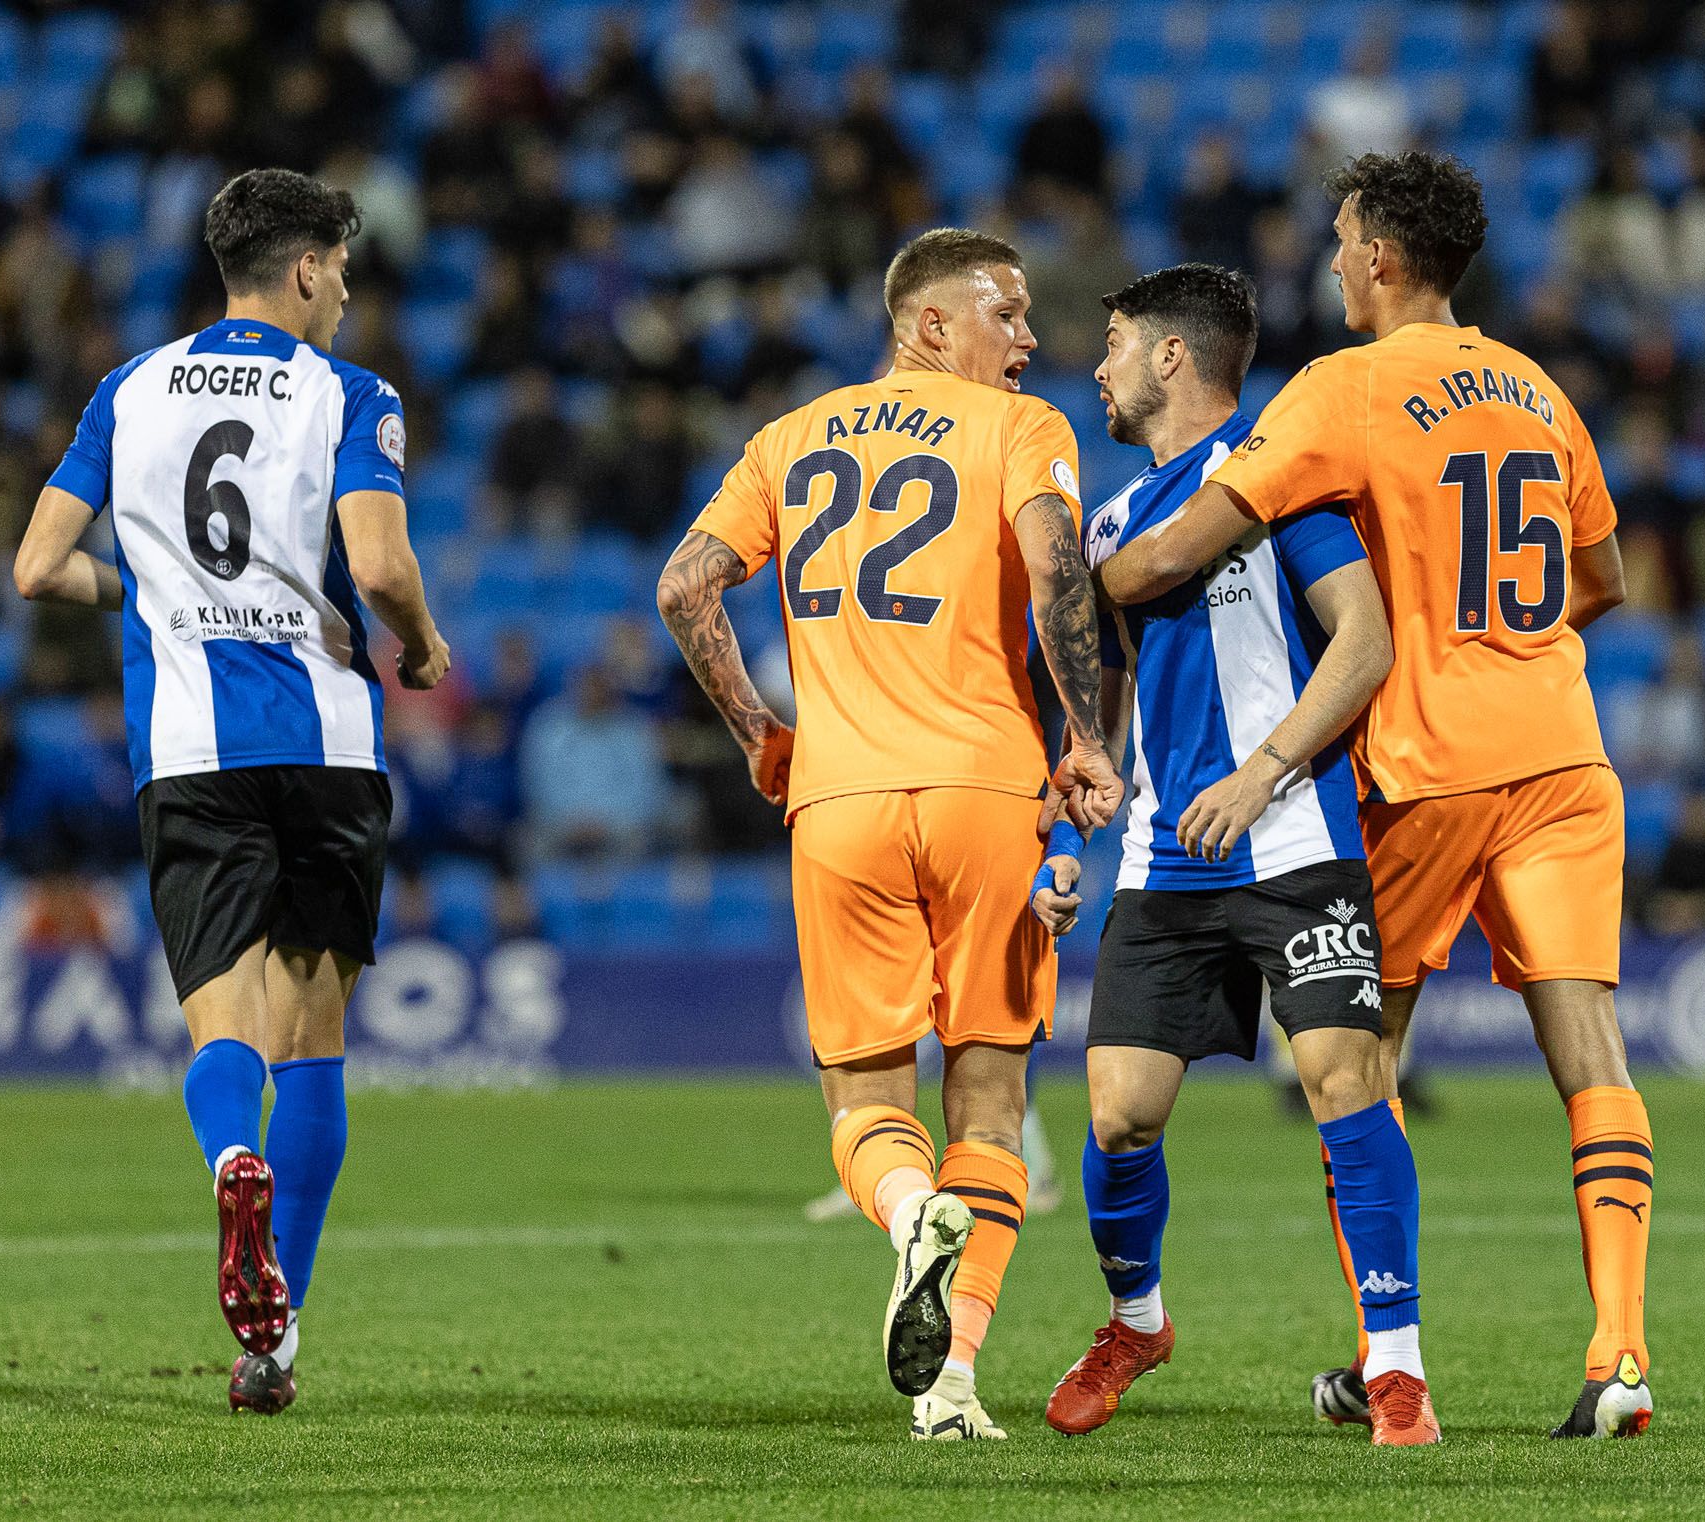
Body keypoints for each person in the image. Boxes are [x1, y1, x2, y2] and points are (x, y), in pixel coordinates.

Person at [1095, 152, 1651, 1441]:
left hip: (1422, 766)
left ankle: (1385, 1356)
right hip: (1564, 755)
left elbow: (1179, 547)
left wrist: (1077, 575)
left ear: (1386, 260)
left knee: (1357, 1065)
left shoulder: (1340, 390)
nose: (1333, 260)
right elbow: (1603, 577)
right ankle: (1619, 1353)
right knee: (1593, 1055)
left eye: (1344, 241)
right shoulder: (1538, 387)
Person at [656, 227, 1121, 1441]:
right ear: (929, 325)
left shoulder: (786, 438)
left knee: (865, 1104)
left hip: (841, 797)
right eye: (1005, 315)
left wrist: (762, 728)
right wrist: (1087, 737)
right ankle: (952, 1380)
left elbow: (684, 587)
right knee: (991, 1105)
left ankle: (910, 1211)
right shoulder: (1023, 432)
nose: (1029, 339)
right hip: (984, 793)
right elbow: (1059, 571)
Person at [13, 168, 451, 1416]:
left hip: (192, 751)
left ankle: (232, 1157)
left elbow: (40, 567)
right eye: (346, 271)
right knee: (315, 1034)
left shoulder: (128, 388)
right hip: (326, 742)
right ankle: (275, 1346)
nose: (350, 293)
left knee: (225, 1030)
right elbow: (377, 562)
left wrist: (148, 598)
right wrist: (419, 643)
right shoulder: (352, 395)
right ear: (306, 267)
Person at [1027, 265, 1429, 1445]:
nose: (1094, 367)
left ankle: (1396, 1368)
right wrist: (1064, 842)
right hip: (1163, 864)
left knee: (1347, 1084)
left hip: (1297, 842)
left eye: (1110, 342)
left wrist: (1263, 774)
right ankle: (1136, 1320)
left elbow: (1364, 645)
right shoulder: (1109, 525)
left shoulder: (1284, 480)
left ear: (1169, 357)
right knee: (1117, 1120)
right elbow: (1090, 724)